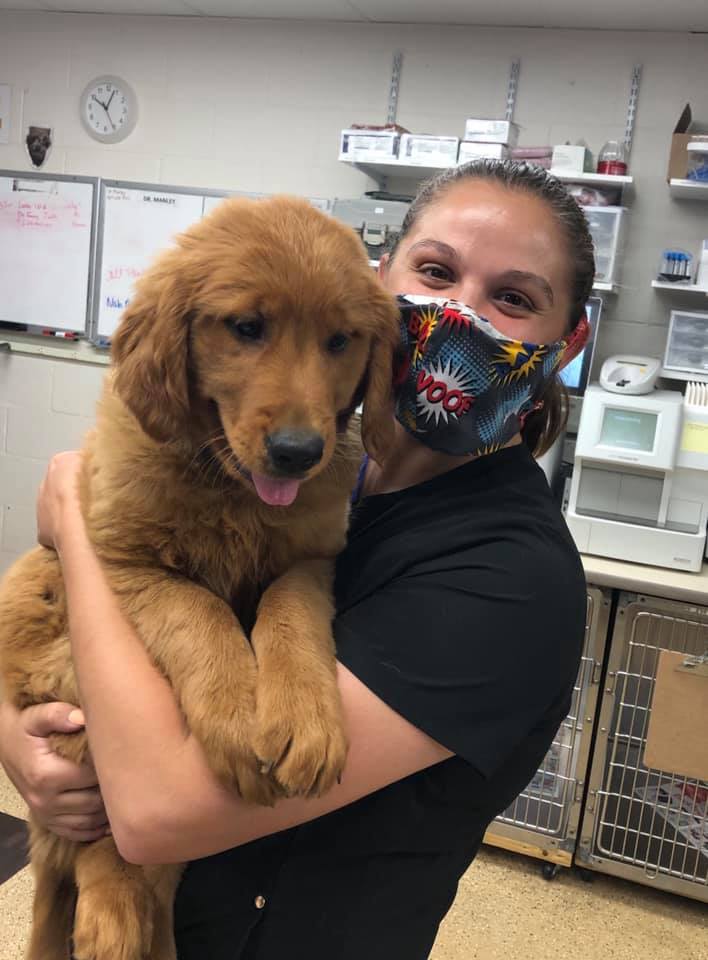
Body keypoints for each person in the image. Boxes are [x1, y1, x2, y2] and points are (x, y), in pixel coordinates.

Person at [0, 160, 593, 959]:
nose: (460, 313)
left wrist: (74, 519)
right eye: (435, 272)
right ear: (383, 283)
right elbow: (60, 621)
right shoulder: (333, 469)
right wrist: (19, 743)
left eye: (513, 298)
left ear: (567, 342)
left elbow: (156, 813)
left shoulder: (512, 578)